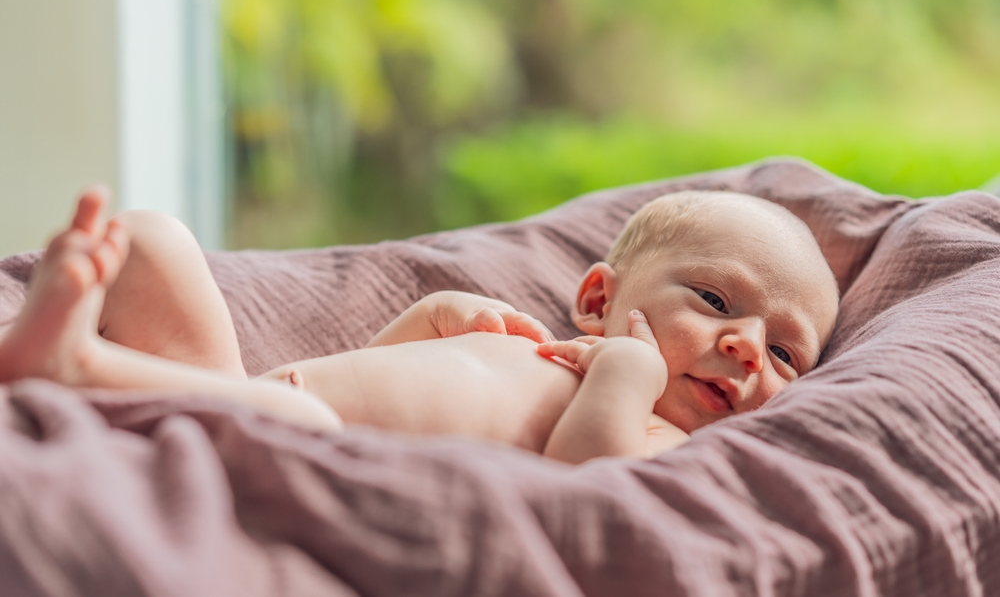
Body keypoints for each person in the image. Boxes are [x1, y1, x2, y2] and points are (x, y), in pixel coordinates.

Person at [0, 186, 839, 464]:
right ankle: (86, 344)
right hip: (249, 397)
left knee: (295, 413)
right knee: (155, 239)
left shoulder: (661, 432)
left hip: (298, 442)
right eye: (718, 303)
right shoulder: (534, 340)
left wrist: (628, 373)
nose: (743, 346)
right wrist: (429, 319)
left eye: (784, 353)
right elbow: (368, 374)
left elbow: (587, 481)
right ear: (596, 299)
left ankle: (71, 365)